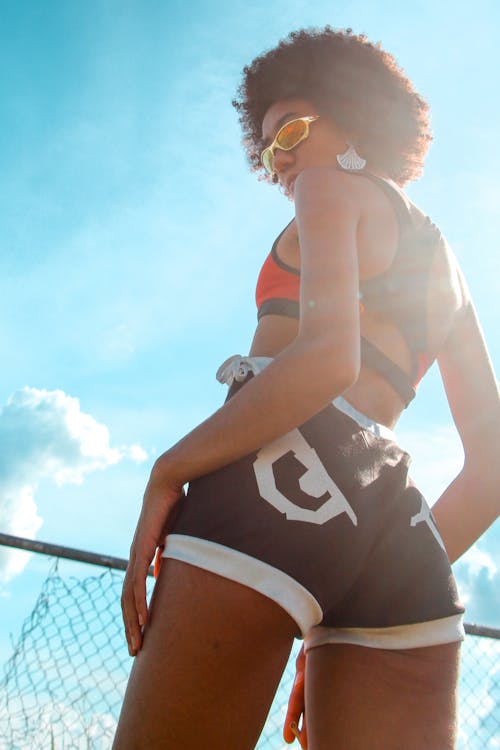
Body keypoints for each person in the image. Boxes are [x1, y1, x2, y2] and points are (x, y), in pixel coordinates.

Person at [113, 27, 499, 750]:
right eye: (266, 148)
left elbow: (326, 361)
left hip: (275, 477)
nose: (281, 157)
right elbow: (494, 470)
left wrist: (169, 470)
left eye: (291, 129)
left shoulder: (330, 189)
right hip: (398, 533)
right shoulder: (449, 268)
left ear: (352, 115)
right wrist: (344, 578)